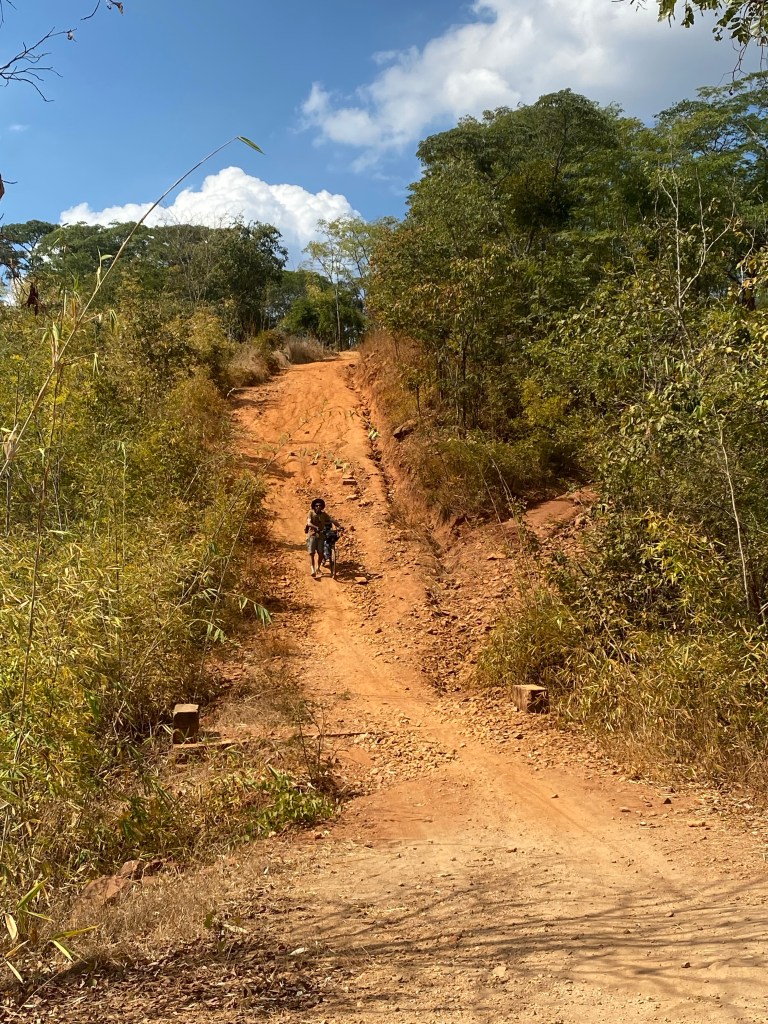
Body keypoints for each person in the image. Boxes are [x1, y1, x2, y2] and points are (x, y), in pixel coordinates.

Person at [305, 497, 344, 578]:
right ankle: (312, 569)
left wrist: (339, 526)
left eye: (320, 505)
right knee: (311, 553)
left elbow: (332, 520)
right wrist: (316, 527)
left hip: (321, 535)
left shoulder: (324, 514)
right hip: (312, 534)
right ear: (314, 506)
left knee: (320, 553)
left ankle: (318, 567)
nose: (318, 507)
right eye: (316, 505)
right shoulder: (311, 513)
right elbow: (308, 523)